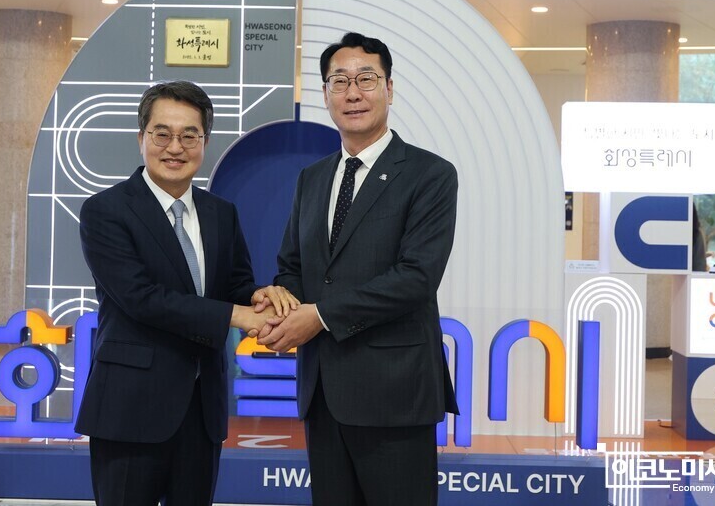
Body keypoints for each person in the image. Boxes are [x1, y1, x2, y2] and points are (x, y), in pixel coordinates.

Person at [76, 80, 298, 506]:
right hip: (130, 408)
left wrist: (261, 297)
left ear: (205, 142)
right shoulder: (105, 211)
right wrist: (235, 315)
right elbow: (141, 298)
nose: (175, 147)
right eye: (162, 134)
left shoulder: (221, 213)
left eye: (189, 135)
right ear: (141, 138)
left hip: (202, 409)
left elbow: (235, 284)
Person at [261, 32, 459, 506]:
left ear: (389, 88)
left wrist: (318, 316)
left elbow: (416, 277)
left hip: (395, 392)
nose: (353, 93)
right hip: (323, 392)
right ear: (325, 93)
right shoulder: (311, 178)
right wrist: (281, 301)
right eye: (339, 81)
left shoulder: (430, 174)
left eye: (366, 79)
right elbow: (292, 266)